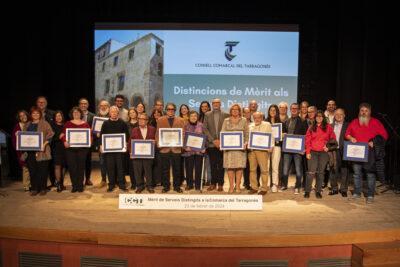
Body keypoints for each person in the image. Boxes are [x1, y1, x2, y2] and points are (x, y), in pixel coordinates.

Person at [346, 103, 388, 203]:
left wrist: (374, 142)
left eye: (366, 110)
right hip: (357, 153)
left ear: (370, 112)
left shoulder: (376, 122)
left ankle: (370, 195)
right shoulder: (354, 122)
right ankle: (357, 193)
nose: (364, 112)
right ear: (359, 112)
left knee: (370, 174)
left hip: (370, 153)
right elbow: (347, 134)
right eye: (362, 110)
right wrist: (351, 138)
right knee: (356, 174)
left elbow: (384, 135)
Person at [304, 110, 336, 199]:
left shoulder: (328, 127)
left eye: (321, 116)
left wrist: (328, 147)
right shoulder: (311, 127)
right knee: (311, 172)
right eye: (317, 116)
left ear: (323, 117)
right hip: (313, 152)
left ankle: (318, 191)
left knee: (321, 173)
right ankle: (307, 191)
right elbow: (307, 141)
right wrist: (308, 152)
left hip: (323, 153)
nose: (319, 117)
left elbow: (333, 139)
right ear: (315, 118)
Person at [156, 103, 185, 193]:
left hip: (176, 148)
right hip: (164, 148)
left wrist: (181, 144)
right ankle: (166, 186)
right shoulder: (160, 120)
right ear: (166, 110)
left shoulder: (180, 120)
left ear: (175, 110)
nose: (170, 111)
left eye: (172, 109)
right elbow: (157, 133)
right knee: (165, 169)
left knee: (177, 168)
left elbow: (183, 133)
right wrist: (158, 144)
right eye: (168, 109)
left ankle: (176, 186)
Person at [100, 106, 130, 192]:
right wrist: (101, 145)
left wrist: (125, 144)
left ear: (118, 113)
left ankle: (121, 184)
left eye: (115, 112)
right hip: (109, 151)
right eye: (112, 112)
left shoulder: (122, 123)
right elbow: (102, 135)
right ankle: (111, 185)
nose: (113, 113)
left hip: (120, 150)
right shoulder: (105, 123)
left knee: (120, 167)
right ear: (109, 113)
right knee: (110, 167)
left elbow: (126, 135)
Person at [25, 107, 54, 196]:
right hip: (30, 151)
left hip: (42, 150)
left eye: (37, 113)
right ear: (31, 114)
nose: (35, 115)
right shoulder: (28, 124)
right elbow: (24, 136)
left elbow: (51, 134)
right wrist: (18, 135)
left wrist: (44, 144)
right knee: (32, 170)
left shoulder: (45, 123)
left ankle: (43, 188)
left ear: (40, 114)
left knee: (43, 170)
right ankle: (34, 188)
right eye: (33, 113)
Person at [62, 107, 91, 193]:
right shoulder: (67, 123)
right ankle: (74, 185)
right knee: (72, 167)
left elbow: (90, 136)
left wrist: (88, 143)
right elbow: (63, 134)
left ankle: (80, 185)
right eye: (74, 112)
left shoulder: (85, 124)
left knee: (81, 167)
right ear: (72, 114)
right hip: (70, 149)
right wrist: (64, 141)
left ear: (80, 114)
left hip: (82, 149)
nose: (76, 114)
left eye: (78, 112)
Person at [221, 103, 249, 193]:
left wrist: (245, 143)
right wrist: (223, 144)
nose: (235, 111)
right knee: (230, 167)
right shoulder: (226, 120)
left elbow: (247, 134)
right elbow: (222, 132)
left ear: (239, 111)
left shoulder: (244, 120)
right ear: (230, 111)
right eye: (233, 109)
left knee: (239, 167)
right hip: (229, 148)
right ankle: (231, 186)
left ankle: (237, 186)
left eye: (237, 109)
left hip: (240, 149)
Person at [281, 103, 308, 194]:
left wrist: (303, 148)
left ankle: (297, 186)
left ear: (299, 110)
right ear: (290, 109)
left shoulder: (303, 121)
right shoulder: (287, 121)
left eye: (296, 108)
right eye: (292, 108)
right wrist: (283, 134)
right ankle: (284, 185)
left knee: (298, 170)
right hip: (287, 149)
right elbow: (283, 133)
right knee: (285, 170)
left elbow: (305, 136)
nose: (294, 110)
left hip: (298, 150)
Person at [203, 98, 229, 191]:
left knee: (221, 165)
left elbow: (228, 128)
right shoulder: (207, 114)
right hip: (211, 144)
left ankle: (221, 184)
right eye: (214, 103)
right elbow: (205, 129)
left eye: (217, 103)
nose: (216, 104)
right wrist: (213, 140)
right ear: (212, 104)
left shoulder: (226, 114)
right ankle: (213, 183)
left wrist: (221, 141)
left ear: (220, 104)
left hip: (222, 144)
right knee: (213, 165)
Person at [130, 113, 156, 193]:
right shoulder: (134, 130)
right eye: (139, 119)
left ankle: (149, 186)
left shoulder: (152, 129)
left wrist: (155, 142)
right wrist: (131, 152)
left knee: (148, 171)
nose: (141, 121)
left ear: (147, 121)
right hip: (137, 155)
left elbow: (156, 139)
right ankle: (140, 186)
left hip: (148, 155)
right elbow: (130, 142)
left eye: (143, 119)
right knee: (138, 171)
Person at [248, 112, 272, 195]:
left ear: (262, 118)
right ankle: (254, 187)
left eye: (258, 117)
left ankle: (264, 188)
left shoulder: (267, 124)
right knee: (252, 170)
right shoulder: (250, 125)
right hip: (252, 150)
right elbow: (248, 137)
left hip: (262, 151)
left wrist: (271, 146)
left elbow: (271, 135)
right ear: (253, 118)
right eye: (255, 118)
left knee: (264, 170)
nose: (257, 119)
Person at [328, 108, 350, 197]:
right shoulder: (330, 125)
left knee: (345, 170)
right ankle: (334, 188)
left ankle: (343, 189)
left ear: (344, 115)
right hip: (333, 150)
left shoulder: (348, 125)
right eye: (337, 114)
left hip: (345, 150)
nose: (339, 116)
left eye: (341, 114)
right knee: (333, 169)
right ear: (334, 116)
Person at [182, 111, 205, 191]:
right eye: (192, 116)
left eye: (195, 116)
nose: (193, 117)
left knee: (198, 168)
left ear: (197, 117)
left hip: (199, 151)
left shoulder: (201, 125)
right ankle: (189, 184)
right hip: (188, 151)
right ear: (189, 117)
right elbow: (182, 136)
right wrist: (185, 147)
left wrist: (203, 148)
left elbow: (205, 137)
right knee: (189, 168)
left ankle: (198, 185)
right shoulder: (185, 125)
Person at [265, 104, 285, 193]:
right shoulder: (264, 122)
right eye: (271, 110)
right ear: (268, 112)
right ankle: (265, 184)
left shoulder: (281, 123)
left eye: (274, 110)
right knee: (266, 166)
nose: (272, 112)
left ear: (277, 112)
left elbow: (284, 135)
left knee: (275, 167)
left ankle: (274, 184)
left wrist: (283, 135)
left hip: (277, 147)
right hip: (266, 147)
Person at [11, 110, 31, 191]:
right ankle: (26, 186)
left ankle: (33, 184)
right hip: (22, 151)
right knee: (25, 167)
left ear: (27, 115)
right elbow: (13, 140)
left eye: (24, 115)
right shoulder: (17, 126)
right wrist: (18, 149)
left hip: (32, 149)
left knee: (32, 167)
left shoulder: (31, 124)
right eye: (21, 116)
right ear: (19, 118)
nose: (23, 117)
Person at [79, 98, 95, 186]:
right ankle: (80, 180)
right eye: (82, 104)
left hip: (88, 142)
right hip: (77, 142)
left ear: (88, 105)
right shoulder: (75, 114)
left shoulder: (93, 116)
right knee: (79, 161)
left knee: (88, 161)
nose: (83, 105)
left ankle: (87, 179)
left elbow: (95, 128)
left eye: (85, 104)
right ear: (79, 105)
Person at [95, 100, 110, 188]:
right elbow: (93, 130)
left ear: (108, 106)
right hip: (101, 143)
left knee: (111, 162)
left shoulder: (112, 115)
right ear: (99, 107)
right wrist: (96, 133)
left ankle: (113, 180)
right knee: (102, 162)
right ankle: (103, 180)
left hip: (111, 143)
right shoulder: (96, 117)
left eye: (105, 105)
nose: (103, 107)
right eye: (101, 105)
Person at [50, 111, 66, 192]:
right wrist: (59, 137)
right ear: (54, 117)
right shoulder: (52, 126)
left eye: (60, 115)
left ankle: (62, 183)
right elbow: (50, 138)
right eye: (56, 116)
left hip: (65, 149)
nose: (58, 117)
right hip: (56, 148)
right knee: (57, 166)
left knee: (63, 166)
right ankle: (58, 184)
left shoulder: (65, 125)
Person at [198, 101, 212, 186]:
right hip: (199, 143)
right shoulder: (198, 117)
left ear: (209, 107)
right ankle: (201, 179)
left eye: (206, 106)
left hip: (209, 142)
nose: (204, 108)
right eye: (202, 107)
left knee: (208, 163)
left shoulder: (211, 117)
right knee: (200, 163)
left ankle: (209, 180)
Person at [149, 108, 163, 187]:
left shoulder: (164, 122)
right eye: (155, 113)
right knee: (153, 164)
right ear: (153, 115)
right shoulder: (150, 123)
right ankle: (153, 181)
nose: (156, 115)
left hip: (162, 147)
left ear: (161, 115)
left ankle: (160, 181)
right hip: (152, 146)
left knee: (160, 164)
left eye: (158, 113)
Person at [127, 107, 139, 190]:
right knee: (131, 166)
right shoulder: (126, 124)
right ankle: (133, 183)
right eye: (130, 113)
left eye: (133, 112)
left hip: (139, 147)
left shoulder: (141, 123)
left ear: (136, 113)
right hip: (130, 147)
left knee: (139, 166)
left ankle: (140, 182)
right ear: (128, 115)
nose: (132, 114)